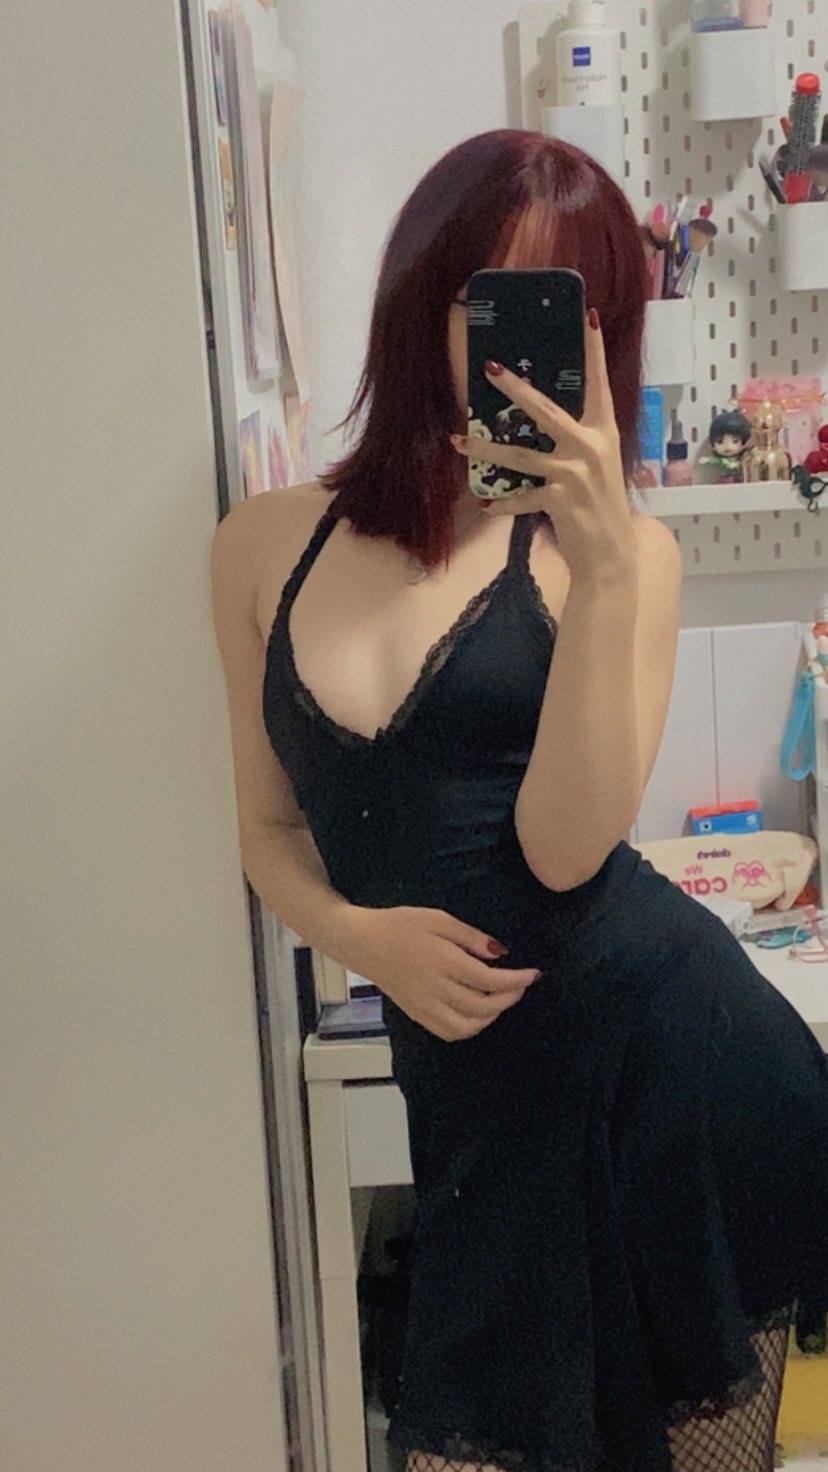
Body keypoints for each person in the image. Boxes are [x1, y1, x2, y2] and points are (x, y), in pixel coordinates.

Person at [211, 131, 828, 1472]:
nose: (518, 352)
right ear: (417, 301)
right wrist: (358, 937)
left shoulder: (629, 560)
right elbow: (265, 831)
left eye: (573, 310)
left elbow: (561, 851)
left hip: (677, 1077)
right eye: (486, 298)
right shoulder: (262, 546)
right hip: (484, 1119)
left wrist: (602, 574)